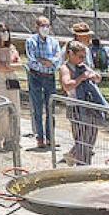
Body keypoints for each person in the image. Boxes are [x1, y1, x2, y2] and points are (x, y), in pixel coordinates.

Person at [25, 16, 63, 148]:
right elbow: (32, 59)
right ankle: (40, 137)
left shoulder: (54, 42)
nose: (45, 28)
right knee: (37, 108)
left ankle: (50, 137)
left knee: (50, 108)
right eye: (42, 25)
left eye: (47, 25)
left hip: (50, 77)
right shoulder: (31, 41)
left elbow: (58, 59)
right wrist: (47, 62)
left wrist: (47, 62)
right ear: (37, 27)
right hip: (35, 77)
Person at [0, 23, 21, 151]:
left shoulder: (11, 47)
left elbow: (19, 64)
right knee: (2, 107)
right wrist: (10, 66)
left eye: (7, 30)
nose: (5, 33)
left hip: (12, 79)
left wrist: (8, 66)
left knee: (14, 107)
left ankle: (12, 137)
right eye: (2, 31)